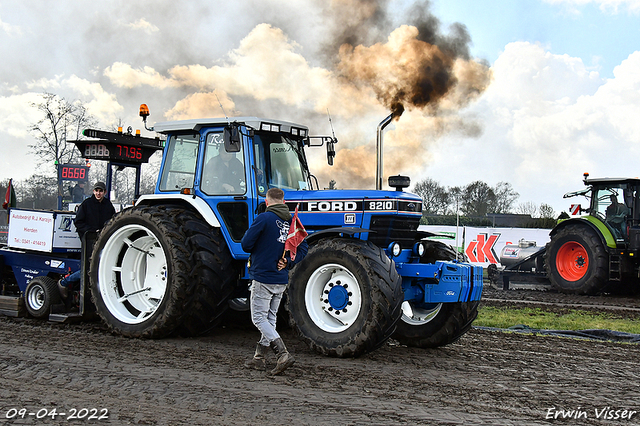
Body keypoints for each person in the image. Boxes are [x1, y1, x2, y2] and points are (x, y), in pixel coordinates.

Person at [240, 187, 308, 375]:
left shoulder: (264, 218)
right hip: (280, 278)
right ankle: (259, 358)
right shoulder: (293, 222)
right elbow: (303, 248)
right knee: (270, 318)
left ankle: (282, 354)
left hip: (263, 276)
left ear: (267, 202)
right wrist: (288, 260)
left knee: (259, 318)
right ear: (284, 202)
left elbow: (246, 244)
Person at [58, 181, 116, 299]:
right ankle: (64, 282)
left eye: (101, 191)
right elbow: (78, 222)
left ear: (104, 192)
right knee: (90, 268)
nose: (98, 193)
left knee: (99, 267)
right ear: (94, 191)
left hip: (104, 241)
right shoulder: (87, 204)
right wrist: (91, 232)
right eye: (96, 191)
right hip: (89, 240)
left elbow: (113, 221)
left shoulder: (108, 205)